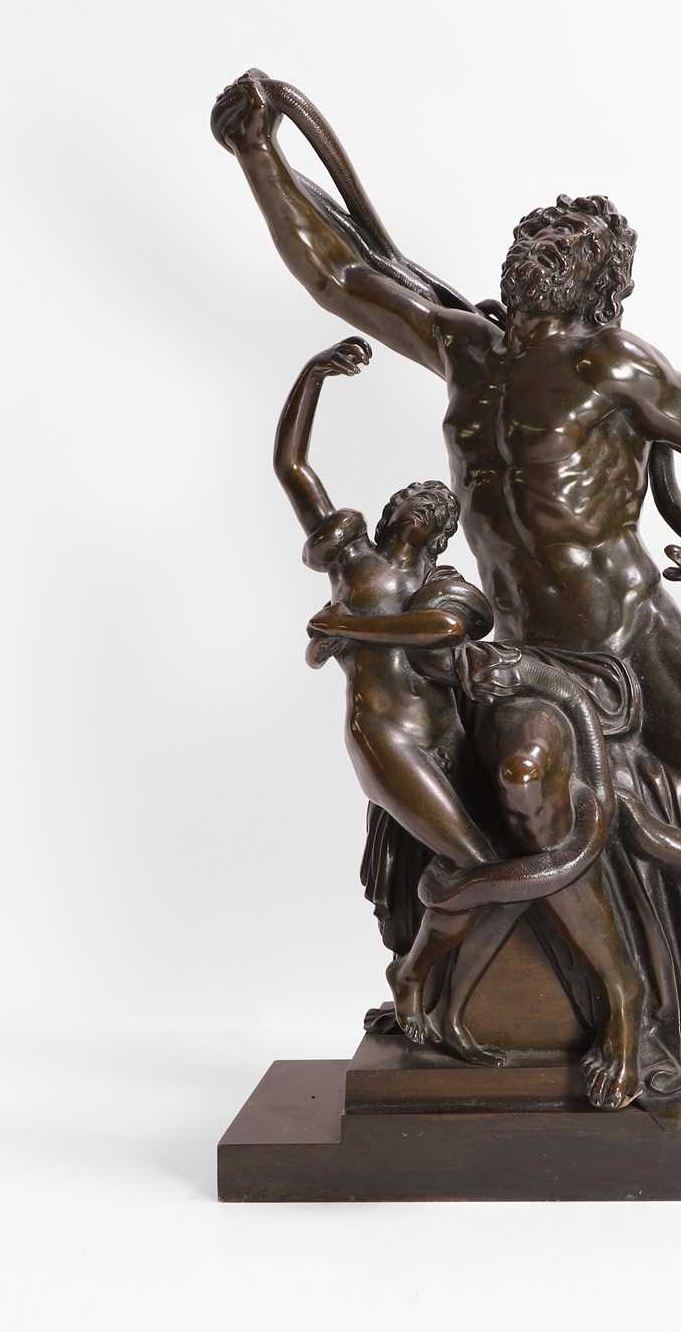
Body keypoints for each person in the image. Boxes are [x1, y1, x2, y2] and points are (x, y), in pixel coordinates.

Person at [213, 68, 681, 1115]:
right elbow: (339, 271)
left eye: (560, 249)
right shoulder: (463, 350)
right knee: (522, 784)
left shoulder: (619, 369)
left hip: (640, 642)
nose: (535, 254)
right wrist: (257, 155)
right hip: (527, 655)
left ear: (599, 280)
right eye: (531, 240)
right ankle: (601, 999)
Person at [273, 335, 642, 1101]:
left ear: (444, 532)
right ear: (390, 512)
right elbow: (293, 468)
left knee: (487, 864)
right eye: (413, 501)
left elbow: (449, 630)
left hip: (450, 741)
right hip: (388, 739)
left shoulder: (448, 589)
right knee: (480, 867)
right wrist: (313, 377)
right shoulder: (354, 561)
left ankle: (426, 985)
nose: (423, 507)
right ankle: (421, 985)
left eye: (435, 508)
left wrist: (342, 629)